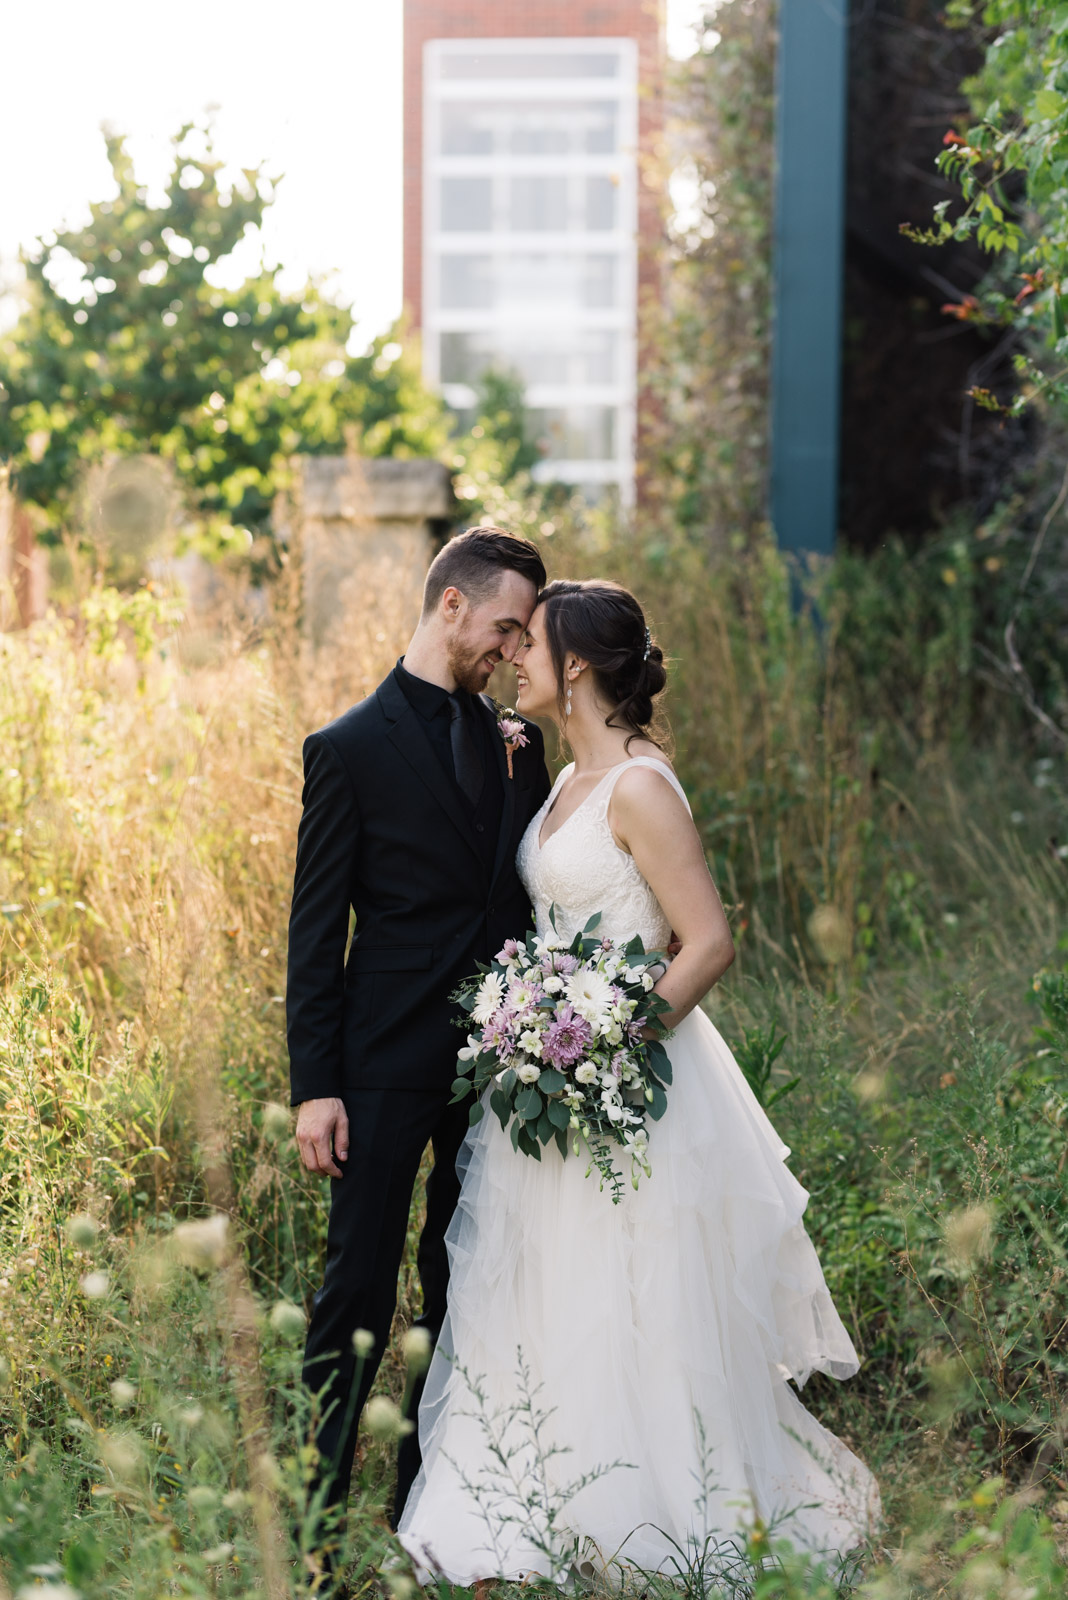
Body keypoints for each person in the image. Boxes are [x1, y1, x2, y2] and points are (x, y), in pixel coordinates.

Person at [397, 578, 881, 1584]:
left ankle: (645, 1506)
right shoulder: (564, 777)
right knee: (542, 1288)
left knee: (635, 1294)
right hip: (549, 1077)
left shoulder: (640, 787)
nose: (513, 660)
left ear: (574, 665)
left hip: (627, 1083)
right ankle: (535, 1499)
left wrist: (610, 1044)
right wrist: (539, 1032)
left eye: (528, 645)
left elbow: (707, 942)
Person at [285, 525, 550, 1565]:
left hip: (493, 1071)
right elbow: (315, 936)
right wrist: (317, 1089)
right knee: (355, 1289)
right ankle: (315, 1529)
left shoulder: (517, 743)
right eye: (504, 626)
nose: (511, 648)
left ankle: (421, 1521)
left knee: (458, 1285)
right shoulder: (346, 748)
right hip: (381, 1064)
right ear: (452, 606)